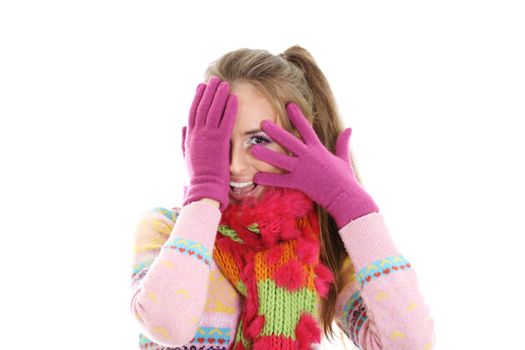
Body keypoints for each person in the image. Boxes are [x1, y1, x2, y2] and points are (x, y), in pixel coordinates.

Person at [130, 46, 436, 350]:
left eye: (259, 140)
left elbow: (410, 344)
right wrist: (204, 191)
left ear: (297, 147)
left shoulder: (318, 251)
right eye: (218, 141)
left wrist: (352, 205)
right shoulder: (166, 230)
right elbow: (167, 325)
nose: (235, 165)